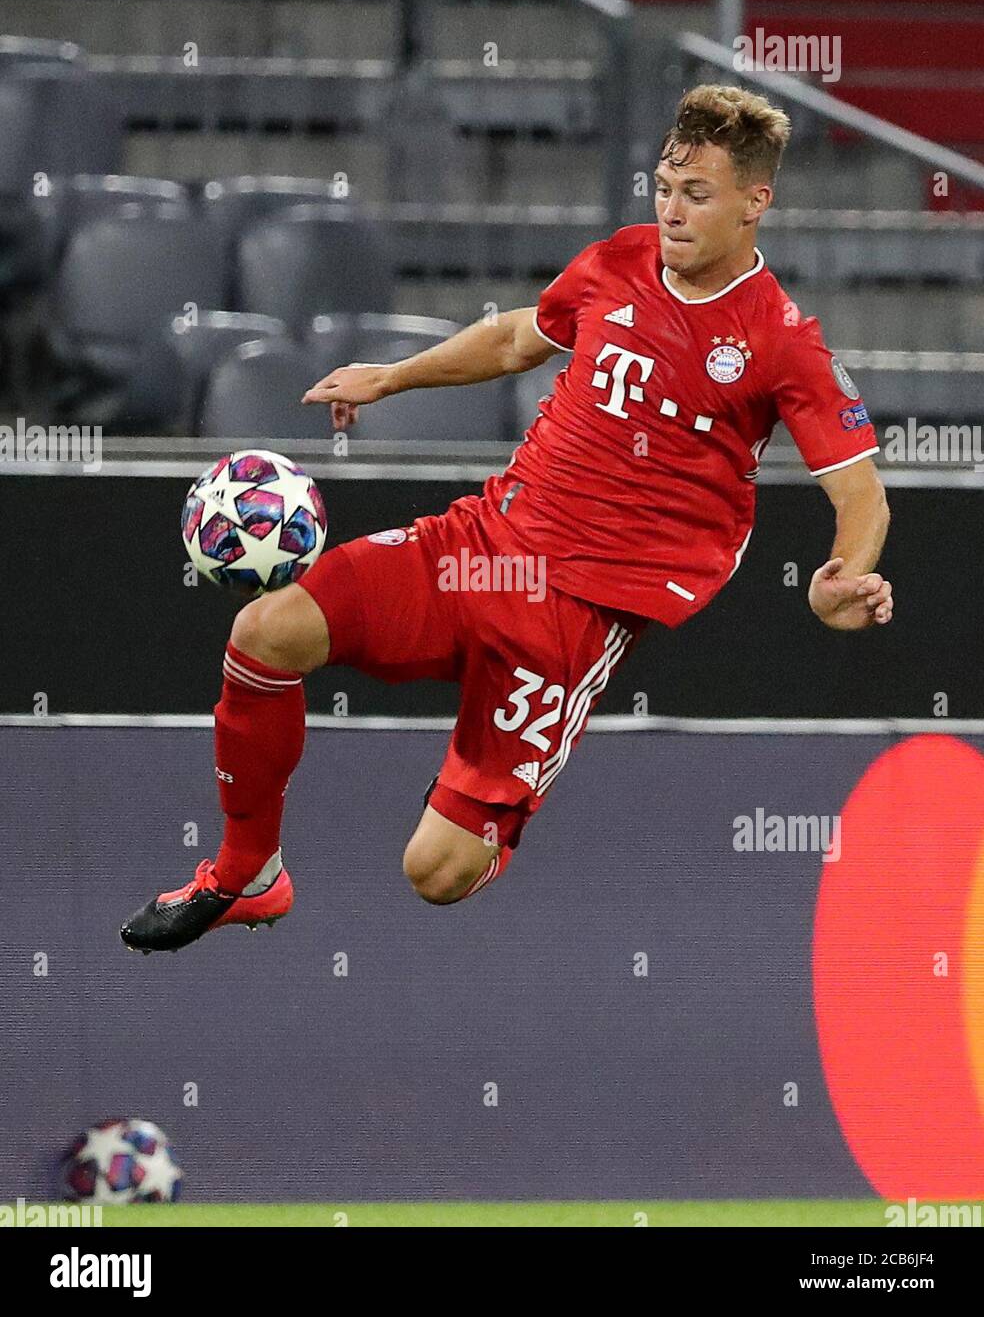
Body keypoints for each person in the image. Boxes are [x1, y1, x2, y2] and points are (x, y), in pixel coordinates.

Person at [121, 83, 893, 954]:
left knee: (435, 874)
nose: (672, 212)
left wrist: (844, 576)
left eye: (698, 195)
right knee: (266, 632)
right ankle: (247, 872)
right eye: (664, 189)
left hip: (573, 615)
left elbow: (860, 493)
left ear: (757, 202)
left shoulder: (784, 339)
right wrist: (391, 376)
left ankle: (490, 816)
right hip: (484, 547)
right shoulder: (621, 260)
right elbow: (519, 336)